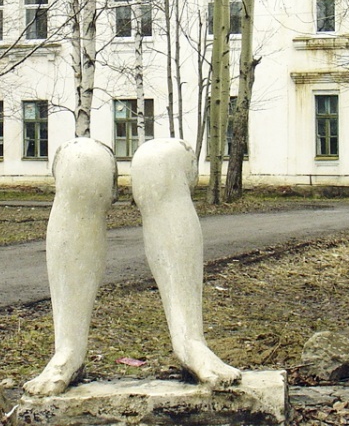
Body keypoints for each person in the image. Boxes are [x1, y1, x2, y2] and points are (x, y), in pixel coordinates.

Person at [24, 137, 241, 396]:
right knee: (80, 162)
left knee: (161, 160)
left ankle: (190, 341)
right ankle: (67, 350)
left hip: (170, 153)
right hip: (83, 150)